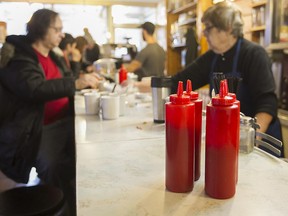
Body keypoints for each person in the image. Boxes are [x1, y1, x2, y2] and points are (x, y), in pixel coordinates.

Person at [0, 9, 99, 215]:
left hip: (65, 121)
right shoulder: (20, 57)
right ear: (42, 28)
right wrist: (77, 82)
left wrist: (75, 63)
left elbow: (65, 80)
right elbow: (34, 88)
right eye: (58, 29)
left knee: (87, 161)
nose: (62, 35)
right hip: (39, 128)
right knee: (54, 169)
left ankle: (76, 202)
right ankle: (65, 207)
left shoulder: (54, 55)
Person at [171, 2, 283, 156]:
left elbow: (267, 104)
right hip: (227, 141)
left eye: (208, 28)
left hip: (257, 144)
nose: (203, 34)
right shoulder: (212, 57)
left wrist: (249, 141)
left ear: (228, 27)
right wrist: (150, 83)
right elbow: (178, 82)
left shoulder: (254, 54)